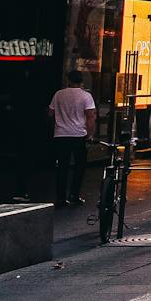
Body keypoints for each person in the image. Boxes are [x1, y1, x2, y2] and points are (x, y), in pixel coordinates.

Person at [48, 70, 95, 208]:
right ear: (81, 81)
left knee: (62, 167)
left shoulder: (58, 95)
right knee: (80, 166)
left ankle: (61, 198)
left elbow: (50, 114)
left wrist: (54, 128)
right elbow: (90, 116)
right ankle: (74, 195)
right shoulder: (86, 96)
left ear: (68, 80)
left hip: (61, 134)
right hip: (78, 135)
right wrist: (90, 134)